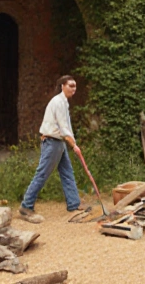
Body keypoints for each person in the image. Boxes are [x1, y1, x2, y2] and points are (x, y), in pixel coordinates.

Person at [19, 75, 87, 223]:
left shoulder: (64, 102)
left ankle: (74, 204)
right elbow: (63, 128)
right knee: (42, 173)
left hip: (60, 142)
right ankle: (26, 206)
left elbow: (66, 126)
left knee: (67, 172)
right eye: (70, 85)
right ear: (62, 86)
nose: (73, 89)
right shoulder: (57, 102)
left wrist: (72, 141)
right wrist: (73, 145)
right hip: (52, 142)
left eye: (75, 86)